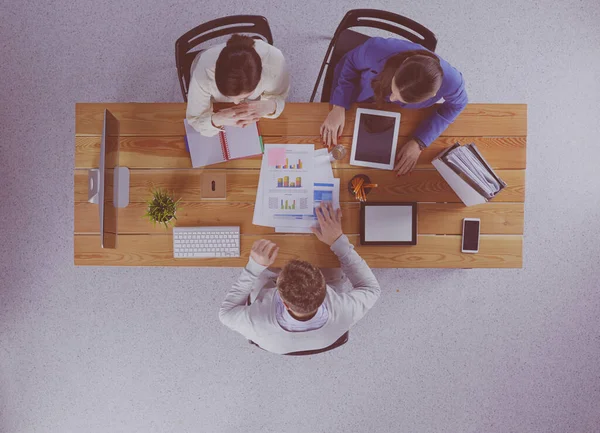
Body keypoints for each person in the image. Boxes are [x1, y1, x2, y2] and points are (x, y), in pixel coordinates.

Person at [219, 202, 381, 355]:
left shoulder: (257, 322)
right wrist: (339, 242)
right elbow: (372, 289)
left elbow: (225, 314)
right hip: (322, 330)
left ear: (283, 302)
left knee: (262, 263)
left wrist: (253, 268)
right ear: (324, 287)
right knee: (329, 259)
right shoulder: (345, 310)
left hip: (276, 336)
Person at [320, 37, 468, 175]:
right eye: (394, 89)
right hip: (359, 86)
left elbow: (457, 105)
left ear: (432, 96)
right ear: (404, 64)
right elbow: (350, 64)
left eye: (401, 98)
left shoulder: (453, 82)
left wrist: (419, 142)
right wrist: (338, 106)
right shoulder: (375, 50)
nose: (391, 98)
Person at [186, 34, 289, 136]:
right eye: (228, 96)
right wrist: (218, 119)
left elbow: (279, 96)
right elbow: (195, 118)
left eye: (246, 96)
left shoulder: (275, 63)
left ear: (259, 78)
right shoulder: (203, 71)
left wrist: (270, 106)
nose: (235, 103)